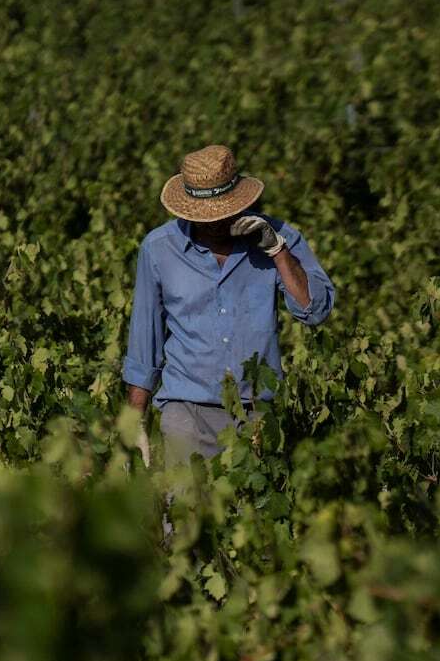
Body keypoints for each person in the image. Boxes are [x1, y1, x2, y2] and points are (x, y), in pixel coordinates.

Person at [122, 145, 335, 465]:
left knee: (254, 510)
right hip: (187, 411)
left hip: (257, 414)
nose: (214, 223)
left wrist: (278, 252)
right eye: (204, 217)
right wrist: (135, 421)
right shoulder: (159, 249)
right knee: (187, 512)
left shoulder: (279, 237)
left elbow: (315, 310)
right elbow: (144, 341)